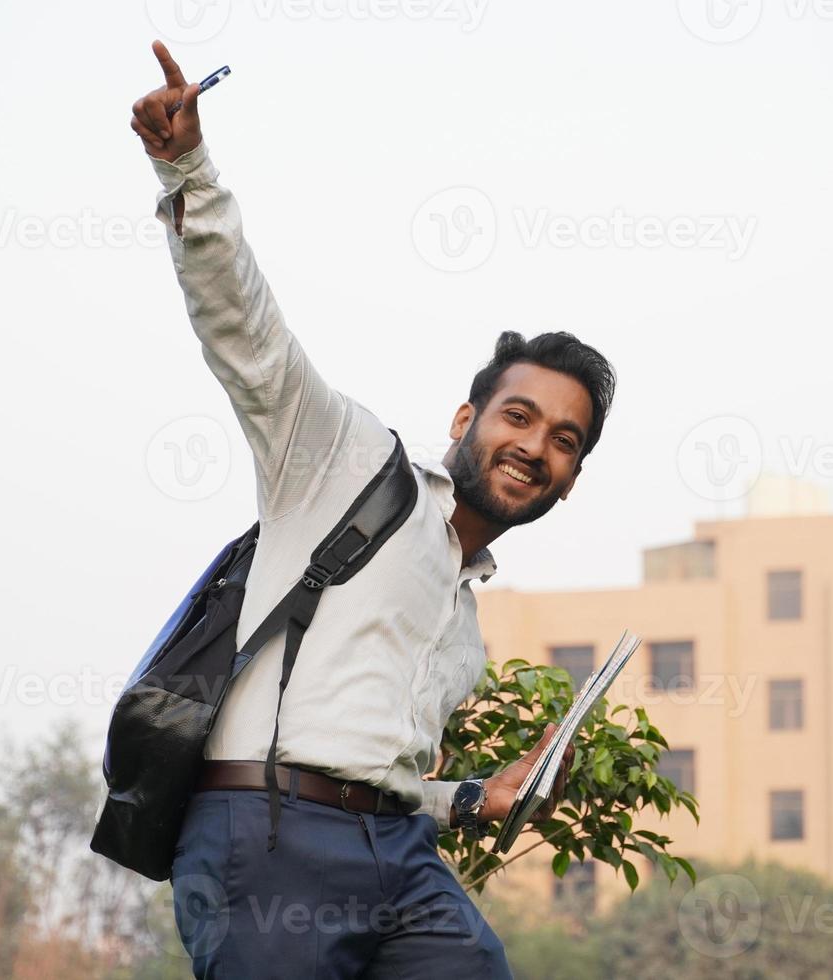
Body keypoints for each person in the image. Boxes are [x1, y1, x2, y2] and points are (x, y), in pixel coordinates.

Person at [128, 40, 617, 978]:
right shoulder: (345, 462)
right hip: (267, 838)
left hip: (396, 855)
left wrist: (472, 799)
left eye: (565, 439)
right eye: (519, 415)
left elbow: (377, 776)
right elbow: (248, 332)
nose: (535, 445)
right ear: (467, 418)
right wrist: (186, 167)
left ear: (572, 475)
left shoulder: (464, 620)